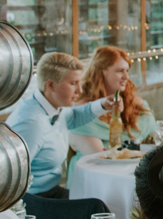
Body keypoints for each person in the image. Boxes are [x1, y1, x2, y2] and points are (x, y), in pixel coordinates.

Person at [8, 52, 112, 200]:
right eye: (73, 83)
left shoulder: (54, 106)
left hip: (51, 191)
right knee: (95, 207)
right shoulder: (32, 123)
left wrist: (102, 104)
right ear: (50, 85)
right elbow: (11, 175)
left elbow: (74, 116)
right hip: (34, 199)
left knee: (101, 198)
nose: (80, 91)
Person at [81, 45, 159, 146]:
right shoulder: (84, 111)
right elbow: (98, 155)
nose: (126, 77)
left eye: (127, 71)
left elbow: (154, 136)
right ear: (101, 72)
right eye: (119, 71)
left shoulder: (136, 103)